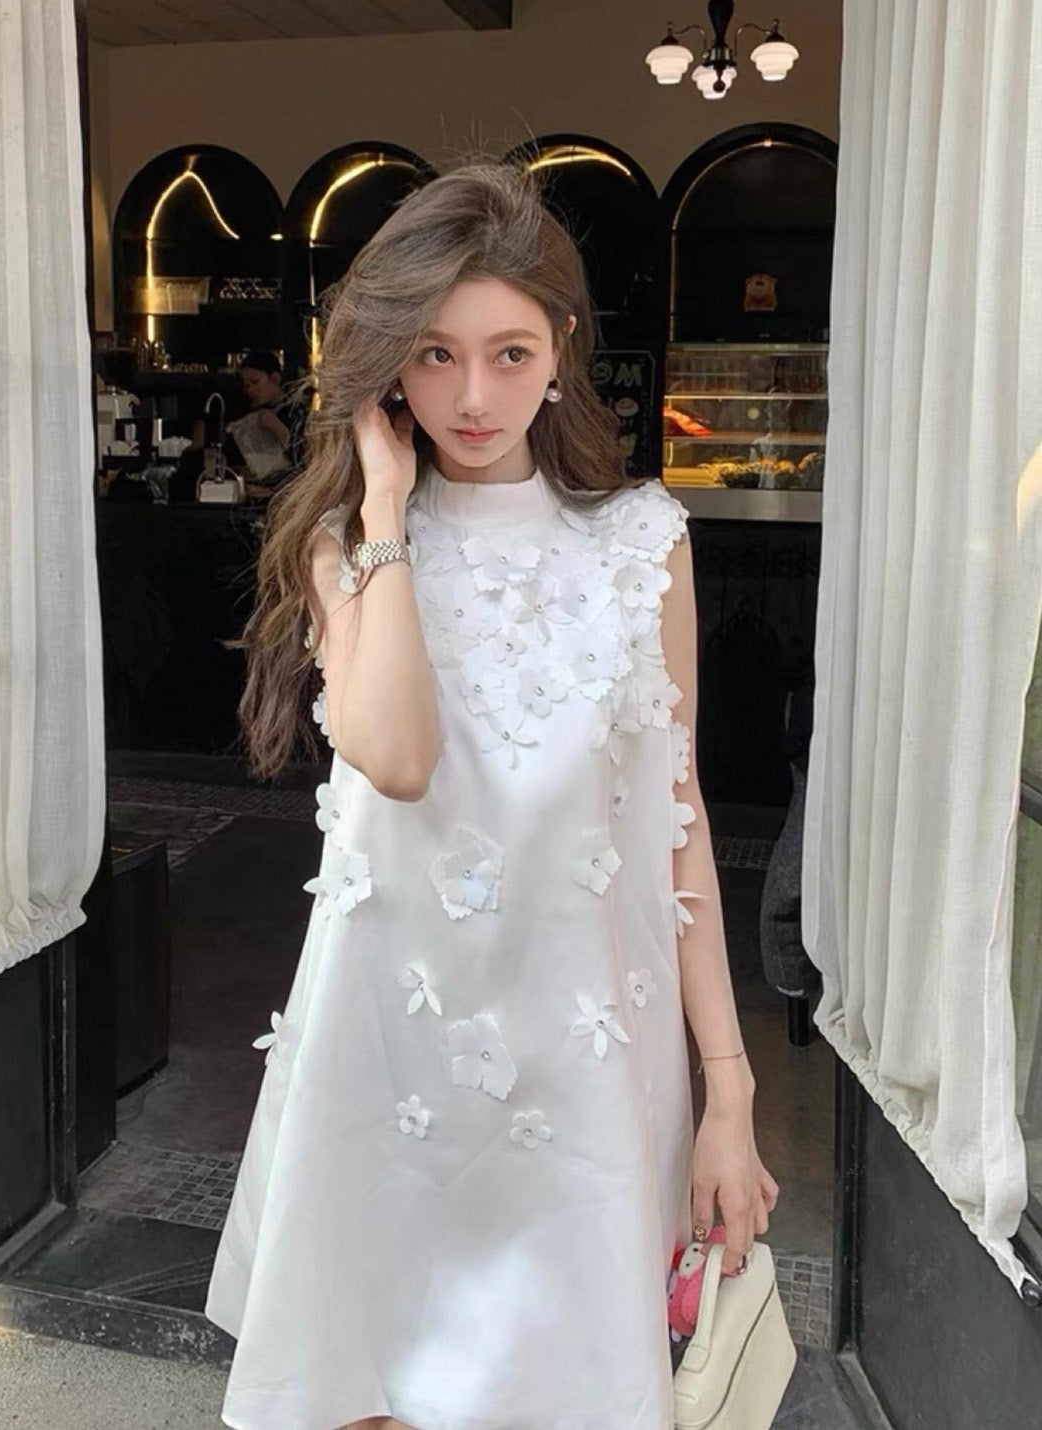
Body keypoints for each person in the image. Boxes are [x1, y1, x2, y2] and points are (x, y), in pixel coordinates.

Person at [205, 162, 778, 1430]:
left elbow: (677, 820)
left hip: (586, 1063)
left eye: (509, 353)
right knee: (370, 1391)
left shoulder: (642, 541)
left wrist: (728, 1089)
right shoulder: (349, 545)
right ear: (385, 369)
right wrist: (387, 509)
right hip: (391, 1054)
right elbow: (397, 755)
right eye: (433, 354)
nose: (472, 397)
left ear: (562, 348)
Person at [231, 348, 306, 498]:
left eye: (255, 382)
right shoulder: (251, 417)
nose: (251, 390)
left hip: (291, 496)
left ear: (274, 378)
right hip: (256, 494)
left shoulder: (296, 413)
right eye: (247, 385)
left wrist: (275, 426)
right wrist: (245, 471)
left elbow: (303, 461)